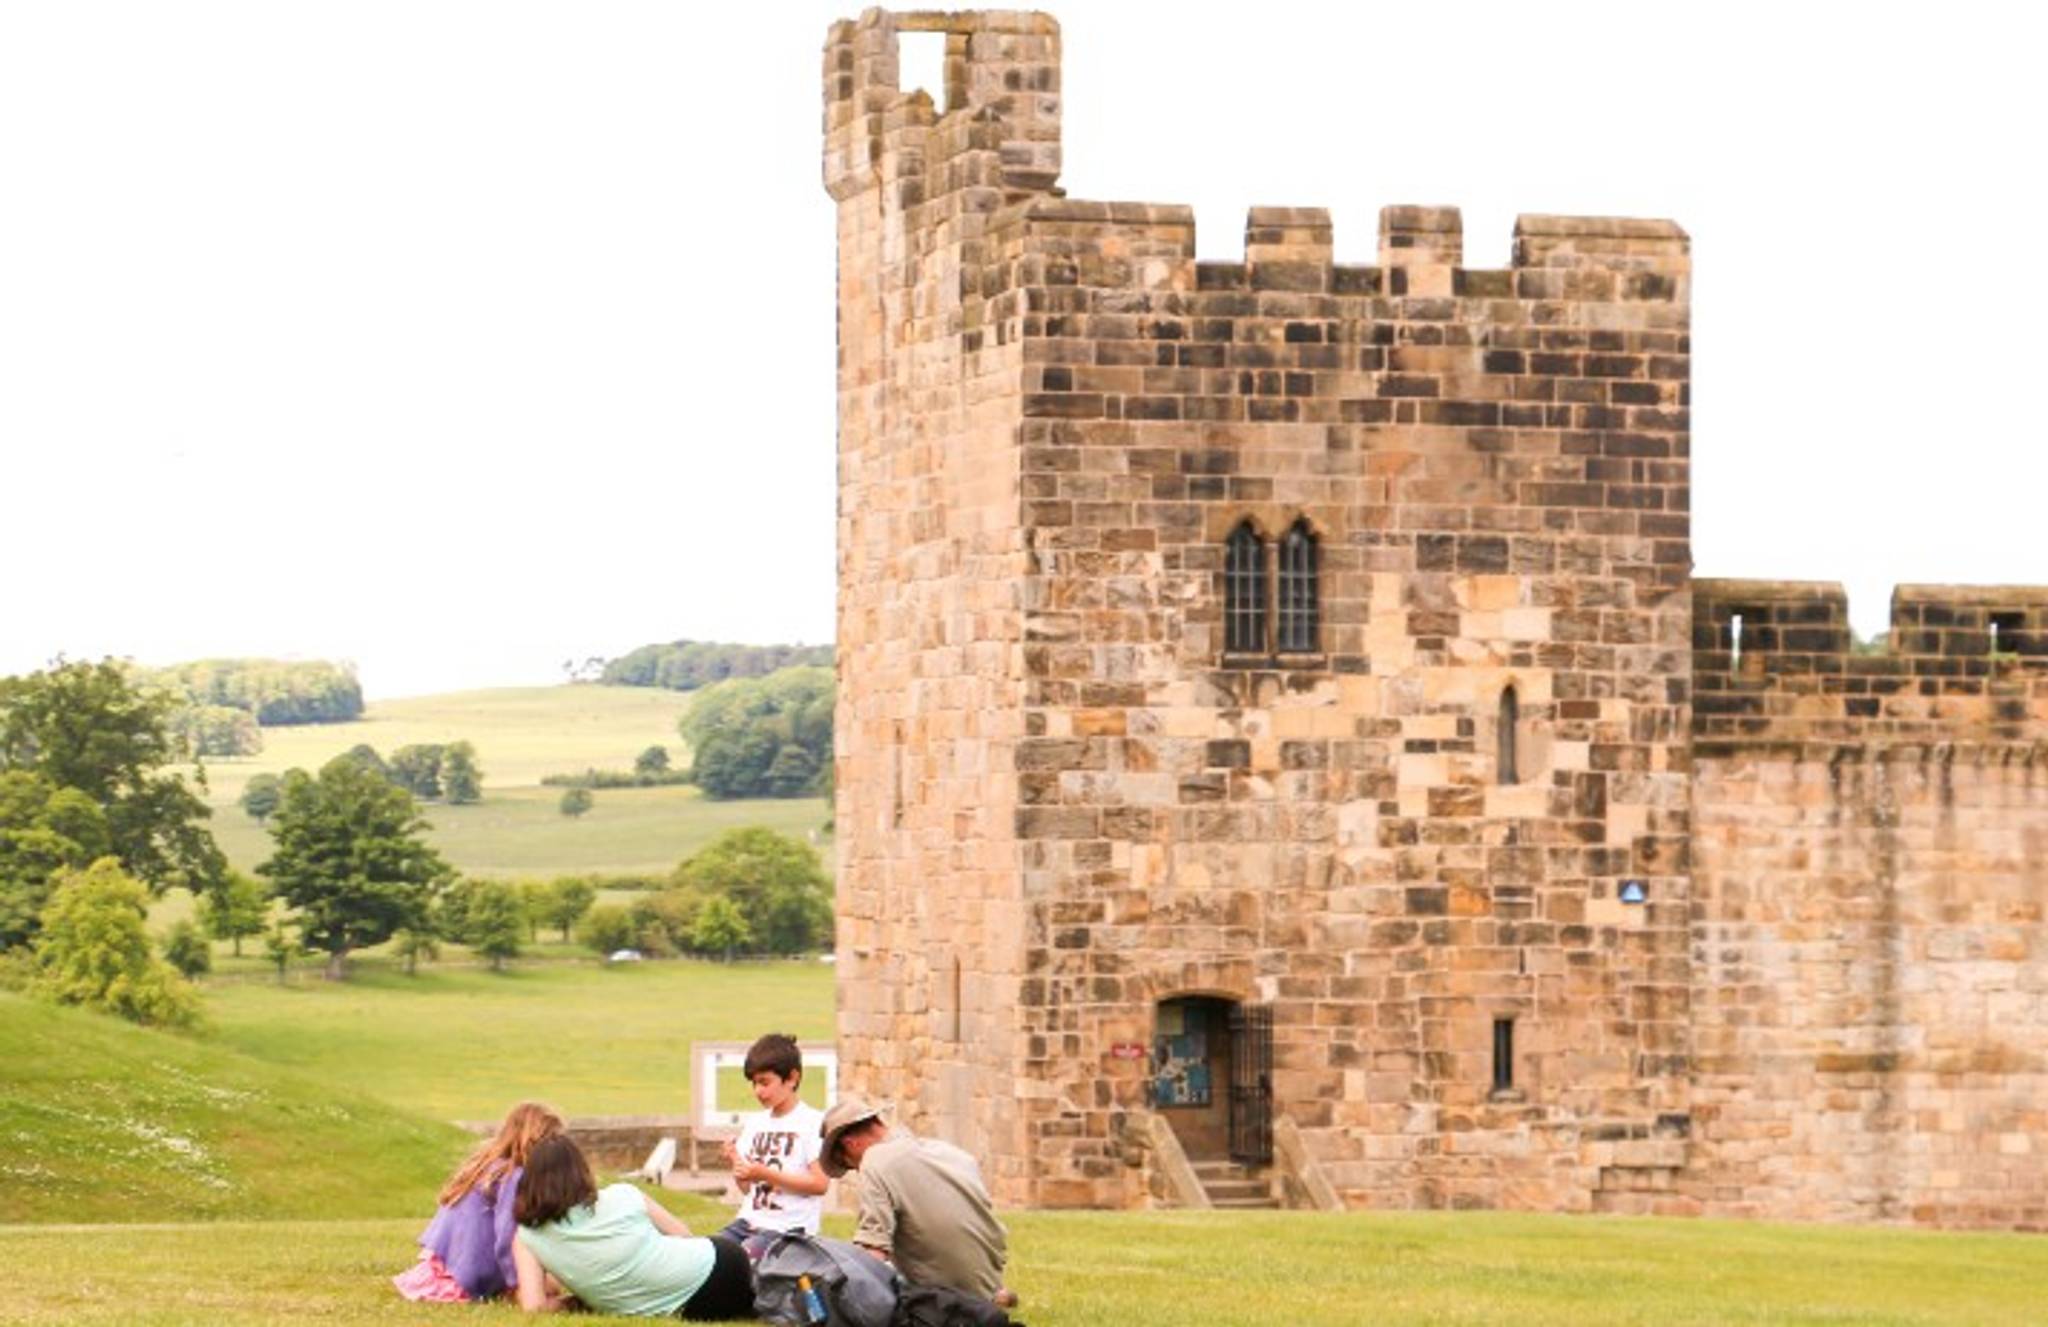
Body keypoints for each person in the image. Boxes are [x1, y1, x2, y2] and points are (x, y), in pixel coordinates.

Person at [512, 1134, 755, 1319]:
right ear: (581, 1171)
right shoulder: (623, 1194)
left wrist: (576, 1302)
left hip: (695, 1305)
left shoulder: (527, 1238)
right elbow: (683, 1234)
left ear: (530, 1181)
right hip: (721, 1265)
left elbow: (534, 1307)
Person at [820, 1098, 1013, 1307]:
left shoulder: (874, 1160)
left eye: (849, 1164)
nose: (857, 1171)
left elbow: (873, 1252)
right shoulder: (950, 1153)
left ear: (850, 1143)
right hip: (987, 1283)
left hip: (941, 1297)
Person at [394, 1100, 564, 1303]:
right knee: (550, 1286)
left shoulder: (487, 1165)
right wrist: (517, 1282)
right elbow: (507, 1236)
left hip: (446, 1265)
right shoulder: (514, 1176)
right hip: (469, 1274)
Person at [719, 1032, 829, 1258]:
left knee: (744, 1259)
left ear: (792, 1078)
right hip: (748, 1223)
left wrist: (765, 1173)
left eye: (765, 1082)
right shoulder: (755, 1124)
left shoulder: (813, 1122)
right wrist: (738, 1166)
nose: (758, 1091)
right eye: (754, 1083)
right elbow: (748, 1191)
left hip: (789, 1231)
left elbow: (820, 1184)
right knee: (708, 1256)